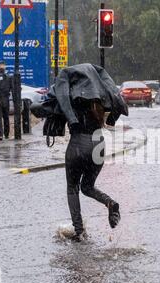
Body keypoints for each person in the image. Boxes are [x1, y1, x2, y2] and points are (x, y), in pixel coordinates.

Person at [54, 64, 129, 242]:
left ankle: (79, 231)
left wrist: (70, 120)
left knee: (72, 188)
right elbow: (118, 106)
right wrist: (110, 118)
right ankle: (110, 203)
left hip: (78, 144)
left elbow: (52, 105)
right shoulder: (100, 97)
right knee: (87, 186)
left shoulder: (71, 96)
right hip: (98, 145)